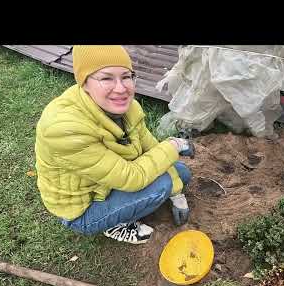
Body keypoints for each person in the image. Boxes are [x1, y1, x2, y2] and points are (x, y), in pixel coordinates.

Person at [35, 45, 194, 244]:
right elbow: (133, 177)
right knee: (162, 184)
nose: (121, 89)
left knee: (181, 173)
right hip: (85, 207)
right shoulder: (64, 129)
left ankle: (134, 203)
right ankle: (114, 226)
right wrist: (174, 146)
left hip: (106, 180)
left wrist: (177, 194)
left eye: (126, 76)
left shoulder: (127, 108)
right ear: (84, 83)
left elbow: (151, 147)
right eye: (106, 78)